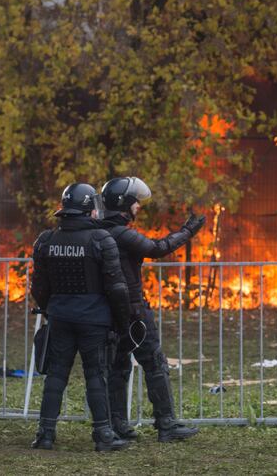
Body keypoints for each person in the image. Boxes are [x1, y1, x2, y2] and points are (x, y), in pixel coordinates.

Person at [98, 176, 205, 442]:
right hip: (134, 310)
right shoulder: (121, 233)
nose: (138, 207)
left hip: (109, 311)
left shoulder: (99, 231)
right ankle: (166, 424)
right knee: (154, 362)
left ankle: (118, 424)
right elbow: (157, 248)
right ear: (124, 203)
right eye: (135, 202)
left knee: (118, 366)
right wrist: (188, 231)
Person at [29, 183, 132, 451]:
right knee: (96, 375)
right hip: (94, 319)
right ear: (89, 208)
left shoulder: (46, 240)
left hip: (60, 317)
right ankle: (103, 436)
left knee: (56, 374)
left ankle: (45, 434)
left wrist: (51, 308)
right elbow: (116, 287)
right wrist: (123, 322)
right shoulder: (101, 240)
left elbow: (38, 286)